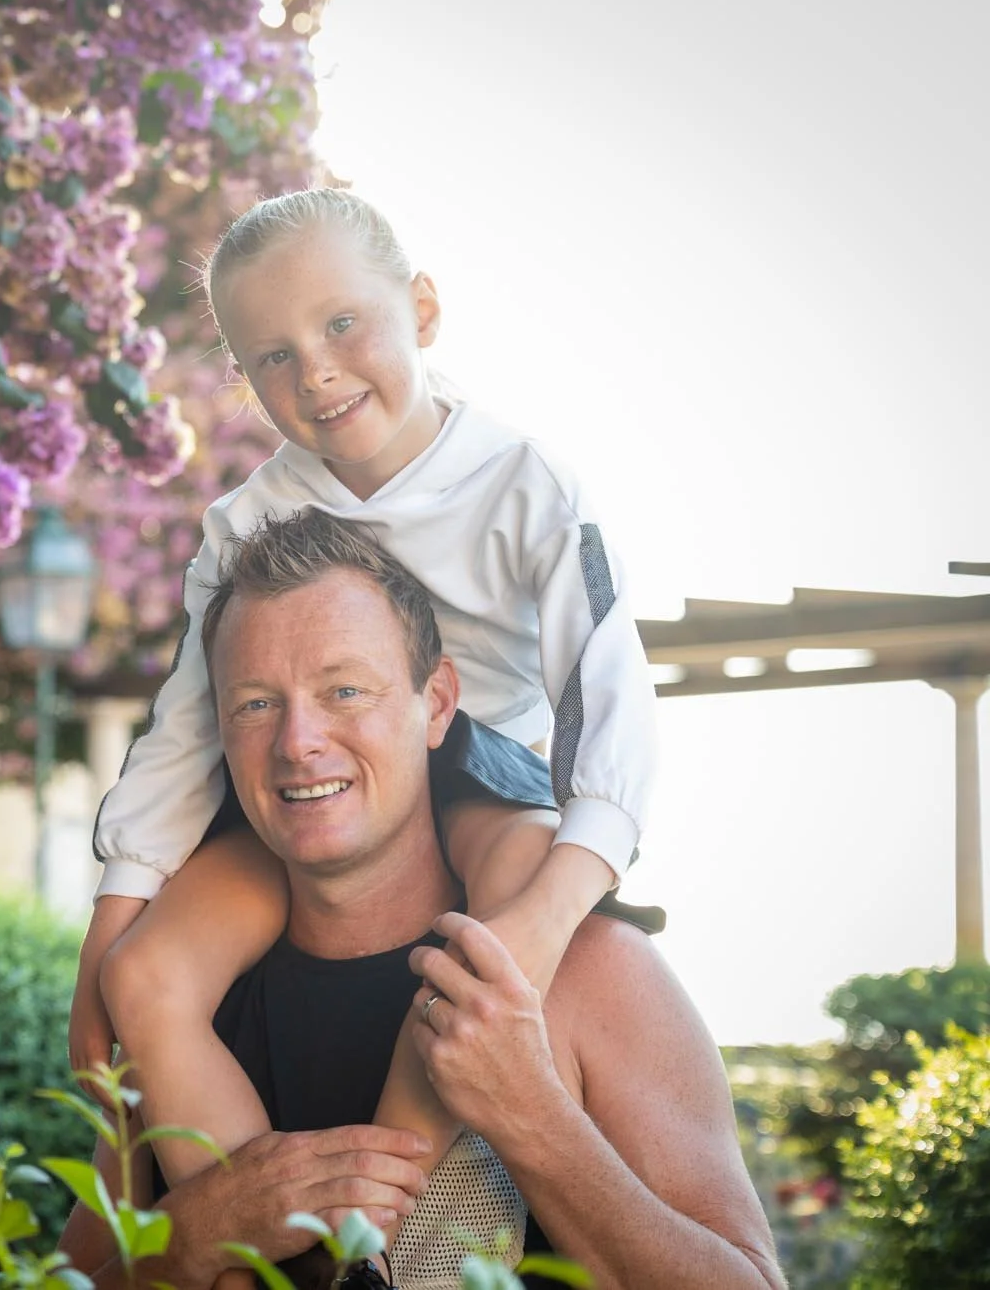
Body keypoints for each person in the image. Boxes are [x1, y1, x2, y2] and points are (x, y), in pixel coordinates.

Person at [71, 188, 660, 1241]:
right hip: (307, 785)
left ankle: (388, 1246)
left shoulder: (526, 485)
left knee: (478, 965)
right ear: (247, 384)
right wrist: (105, 944)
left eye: (340, 324)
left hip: (483, 775)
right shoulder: (249, 518)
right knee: (146, 974)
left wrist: (555, 902)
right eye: (273, 357)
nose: (317, 371)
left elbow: (608, 694)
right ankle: (269, 1247)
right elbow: (186, 730)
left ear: (420, 309)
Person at [60, 509, 781, 1289]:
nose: (298, 740)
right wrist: (187, 1241)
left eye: (344, 689)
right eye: (256, 704)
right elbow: (71, 1274)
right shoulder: (184, 999)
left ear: (436, 703)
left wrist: (534, 1118)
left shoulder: (593, 971)